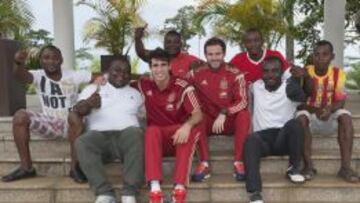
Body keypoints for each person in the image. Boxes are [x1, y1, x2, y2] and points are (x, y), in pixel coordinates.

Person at [1, 45, 101, 183]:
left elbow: (101, 77)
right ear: (41, 61)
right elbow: (20, 75)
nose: (51, 61)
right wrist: (18, 63)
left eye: (55, 58)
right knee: (20, 116)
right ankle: (26, 168)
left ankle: (74, 168)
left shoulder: (73, 75)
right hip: (50, 124)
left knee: (75, 115)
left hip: (74, 125)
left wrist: (97, 85)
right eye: (46, 58)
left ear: (61, 60)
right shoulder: (38, 75)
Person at [69, 56, 144, 203]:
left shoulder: (136, 94)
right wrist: (89, 103)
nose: (121, 74)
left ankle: (129, 193)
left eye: (126, 71)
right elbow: (77, 110)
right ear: (107, 72)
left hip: (126, 139)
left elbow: (146, 117)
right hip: (100, 138)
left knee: (136, 133)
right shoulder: (93, 88)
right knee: (83, 142)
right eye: (116, 70)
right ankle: (104, 193)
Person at [132, 48, 203, 203]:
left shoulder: (183, 85)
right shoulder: (143, 85)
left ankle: (179, 188)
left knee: (187, 130)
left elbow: (198, 114)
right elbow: (122, 80)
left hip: (177, 135)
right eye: (155, 65)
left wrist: (187, 125)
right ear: (150, 68)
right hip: (156, 139)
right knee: (151, 130)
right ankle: (155, 190)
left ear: (170, 66)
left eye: (163, 65)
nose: (159, 69)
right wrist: (100, 79)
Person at [187, 37, 250, 182]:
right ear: (205, 55)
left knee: (244, 115)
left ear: (224, 54)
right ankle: (204, 163)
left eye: (217, 54)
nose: (214, 58)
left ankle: (239, 162)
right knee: (196, 116)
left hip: (228, 120)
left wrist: (224, 112)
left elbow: (243, 101)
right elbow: (182, 90)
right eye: (210, 54)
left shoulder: (235, 73)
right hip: (207, 120)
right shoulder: (195, 73)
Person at [244, 56, 306, 203]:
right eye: (266, 71)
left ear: (281, 72)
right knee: (251, 140)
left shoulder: (289, 87)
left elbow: (303, 97)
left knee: (296, 124)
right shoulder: (256, 87)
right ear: (261, 73)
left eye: (275, 71)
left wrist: (297, 78)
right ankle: (255, 192)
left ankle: (294, 168)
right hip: (262, 140)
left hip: (282, 138)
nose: (270, 75)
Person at [296, 40, 359, 182]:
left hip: (329, 115)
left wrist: (329, 109)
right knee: (300, 118)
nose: (320, 58)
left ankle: (345, 168)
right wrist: (317, 110)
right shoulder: (305, 72)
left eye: (325, 54)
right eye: (317, 54)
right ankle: (308, 166)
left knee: (346, 117)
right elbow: (300, 104)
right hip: (311, 117)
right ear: (313, 56)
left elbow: (341, 101)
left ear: (332, 56)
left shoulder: (338, 74)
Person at [135, 26, 201, 78]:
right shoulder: (158, 56)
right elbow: (141, 53)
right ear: (164, 44)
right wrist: (137, 39)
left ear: (181, 44)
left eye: (176, 42)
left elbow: (208, 66)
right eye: (168, 42)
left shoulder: (190, 59)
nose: (172, 45)